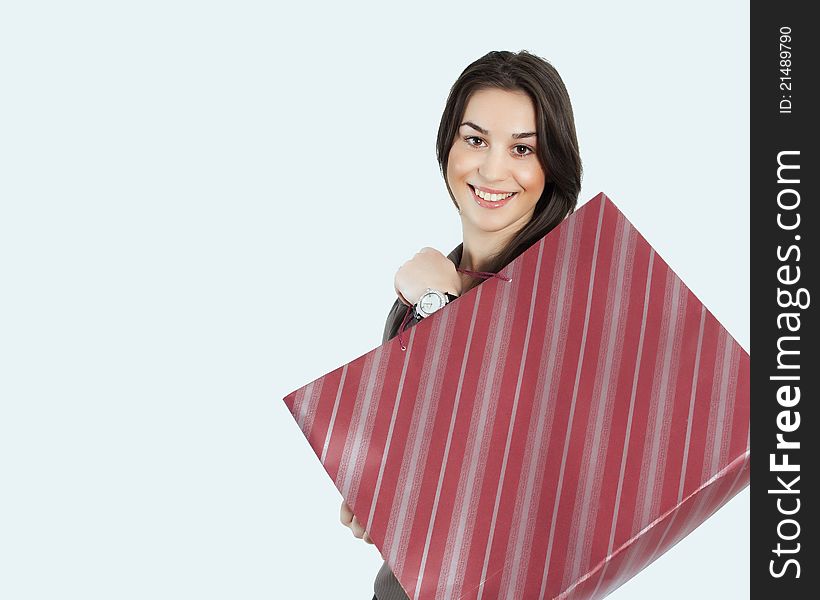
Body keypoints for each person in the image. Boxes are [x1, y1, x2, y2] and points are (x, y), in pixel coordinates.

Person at [339, 49, 583, 600]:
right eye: (475, 140)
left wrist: (438, 299)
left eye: (523, 149)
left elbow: (524, 458)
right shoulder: (425, 292)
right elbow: (441, 469)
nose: (493, 170)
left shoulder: (575, 295)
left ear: (554, 166)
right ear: (447, 145)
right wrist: (379, 494)